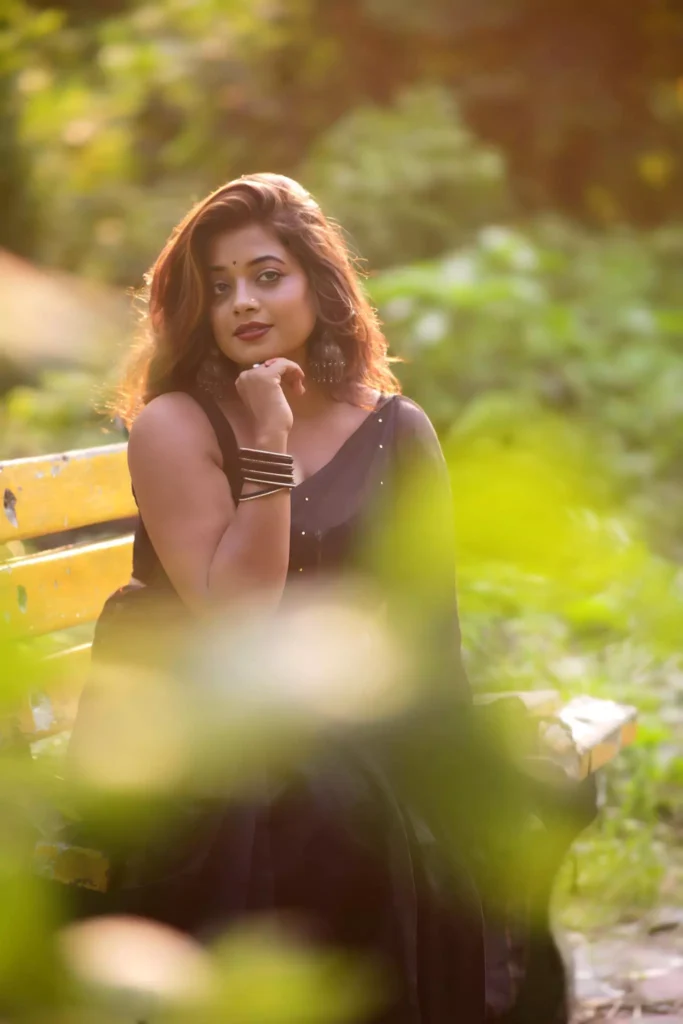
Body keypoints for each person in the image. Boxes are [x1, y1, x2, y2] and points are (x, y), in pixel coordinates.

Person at [65, 173, 487, 1021]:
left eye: (266, 275)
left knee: (408, 807)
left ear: (318, 286)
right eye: (217, 287)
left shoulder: (395, 429)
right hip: (189, 722)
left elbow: (423, 627)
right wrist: (268, 440)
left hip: (332, 715)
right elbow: (236, 617)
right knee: (324, 806)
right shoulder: (175, 426)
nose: (240, 303)